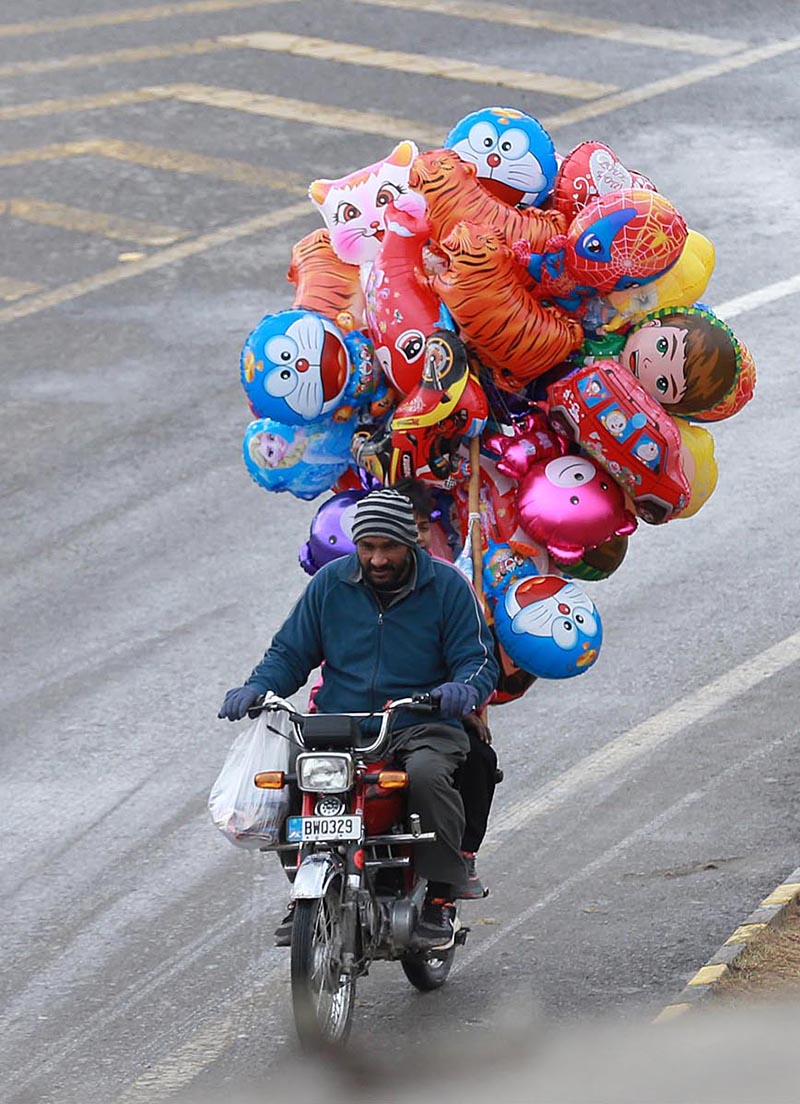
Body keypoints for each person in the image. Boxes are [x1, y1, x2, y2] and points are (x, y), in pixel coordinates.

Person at [219, 488, 498, 948]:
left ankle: (442, 895)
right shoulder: (330, 584)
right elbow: (290, 652)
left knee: (428, 776)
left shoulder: (448, 588)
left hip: (419, 722)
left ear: (411, 544)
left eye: (388, 547)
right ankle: (306, 892)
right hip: (338, 727)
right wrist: (257, 687)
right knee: (291, 784)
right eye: (368, 547)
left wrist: (462, 689)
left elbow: (479, 658)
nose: (378, 558)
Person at [393, 476, 501, 900]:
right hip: (360, 723)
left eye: (421, 526)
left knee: (476, 760)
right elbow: (316, 655)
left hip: (430, 718)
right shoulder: (342, 585)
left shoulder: (450, 584)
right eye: (406, 527)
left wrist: (465, 697)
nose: (415, 537)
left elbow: (474, 656)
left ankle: (452, 872)